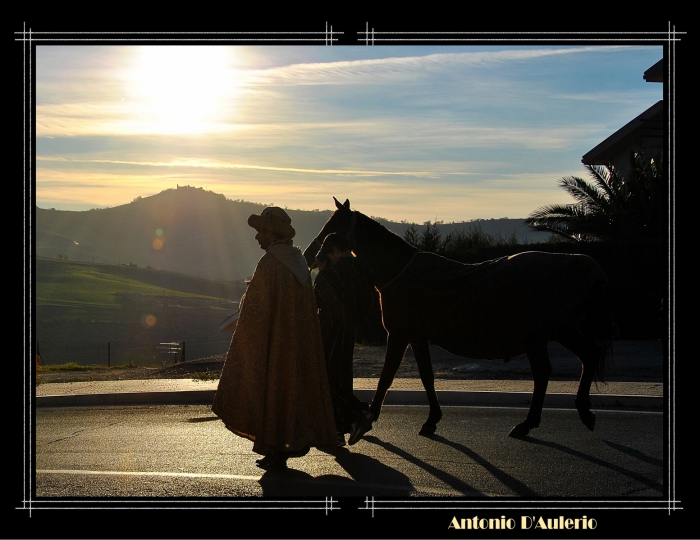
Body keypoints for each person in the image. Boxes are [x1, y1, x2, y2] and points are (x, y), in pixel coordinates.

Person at [212, 207, 338, 470]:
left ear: (272, 233)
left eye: (261, 231)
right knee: (291, 391)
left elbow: (255, 311)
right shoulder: (299, 262)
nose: (257, 237)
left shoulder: (270, 263)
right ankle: (288, 442)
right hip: (297, 344)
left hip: (274, 343)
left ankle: (276, 446)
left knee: (272, 390)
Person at [313, 233, 376, 446]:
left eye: (329, 254)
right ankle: (338, 429)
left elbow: (319, 299)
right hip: (351, 332)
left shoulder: (332, 274)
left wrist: (321, 274)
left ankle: (358, 413)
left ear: (336, 252)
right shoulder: (364, 270)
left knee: (327, 378)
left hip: (332, 331)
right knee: (342, 378)